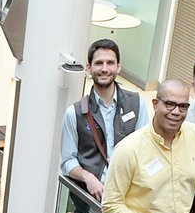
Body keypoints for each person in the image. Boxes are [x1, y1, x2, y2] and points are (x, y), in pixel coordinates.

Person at [102, 80, 195, 213]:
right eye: (169, 104)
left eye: (183, 106)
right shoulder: (129, 149)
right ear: (155, 104)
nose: (176, 112)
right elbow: (111, 204)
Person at [59, 37, 143, 202]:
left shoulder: (137, 103)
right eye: (99, 63)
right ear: (89, 68)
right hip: (90, 200)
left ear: (118, 67)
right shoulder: (74, 113)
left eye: (110, 63)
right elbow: (68, 162)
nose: (105, 68)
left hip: (128, 200)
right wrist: (87, 177)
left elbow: (145, 151)